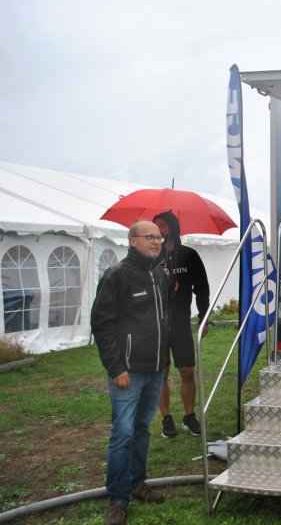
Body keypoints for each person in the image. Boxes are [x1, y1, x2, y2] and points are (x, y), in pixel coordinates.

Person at [91, 221, 170, 525]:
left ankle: (137, 482)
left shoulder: (159, 274)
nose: (156, 241)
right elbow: (102, 325)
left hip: (155, 369)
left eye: (159, 237)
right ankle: (118, 499)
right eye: (149, 237)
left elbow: (162, 320)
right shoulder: (117, 276)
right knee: (123, 433)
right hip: (128, 372)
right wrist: (116, 367)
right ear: (133, 240)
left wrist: (164, 362)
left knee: (141, 429)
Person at [151, 211, 210, 439]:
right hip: (156, 325)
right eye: (156, 226)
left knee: (187, 371)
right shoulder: (151, 257)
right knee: (161, 373)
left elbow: (201, 287)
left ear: (173, 227)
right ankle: (166, 418)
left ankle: (189, 416)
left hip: (181, 323)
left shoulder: (189, 255)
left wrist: (204, 317)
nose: (159, 231)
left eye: (163, 225)